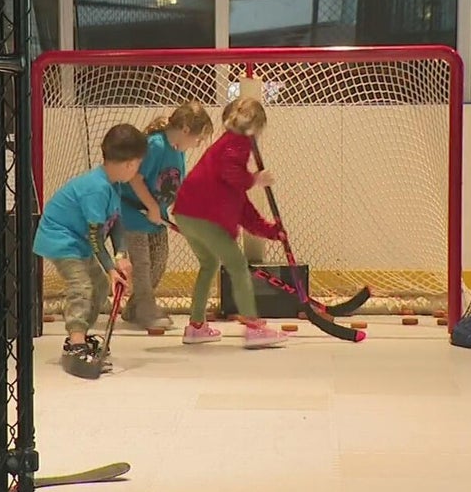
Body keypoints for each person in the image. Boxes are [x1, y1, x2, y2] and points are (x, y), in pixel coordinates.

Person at [171, 96, 288, 349]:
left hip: (185, 213)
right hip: (203, 216)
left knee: (209, 263)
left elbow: (242, 207)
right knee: (237, 265)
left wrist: (270, 231)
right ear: (256, 127)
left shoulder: (224, 148)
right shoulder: (238, 143)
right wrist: (255, 179)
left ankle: (196, 326)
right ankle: (255, 329)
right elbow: (232, 173)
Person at [33, 123, 148, 378]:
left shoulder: (114, 183)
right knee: (82, 286)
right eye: (138, 164)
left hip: (80, 240)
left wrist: (121, 256)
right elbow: (97, 235)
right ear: (130, 164)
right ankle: (76, 342)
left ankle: (81, 335)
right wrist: (110, 269)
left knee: (97, 286)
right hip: (61, 239)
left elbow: (116, 222)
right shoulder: (96, 188)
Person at [116, 101, 214, 330]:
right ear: (186, 129)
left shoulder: (178, 152)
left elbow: (174, 187)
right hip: (133, 212)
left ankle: (134, 308)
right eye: (198, 138)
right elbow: (134, 178)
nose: (198, 144)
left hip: (156, 216)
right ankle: (146, 309)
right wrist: (150, 207)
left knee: (159, 263)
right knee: (142, 263)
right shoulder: (155, 146)